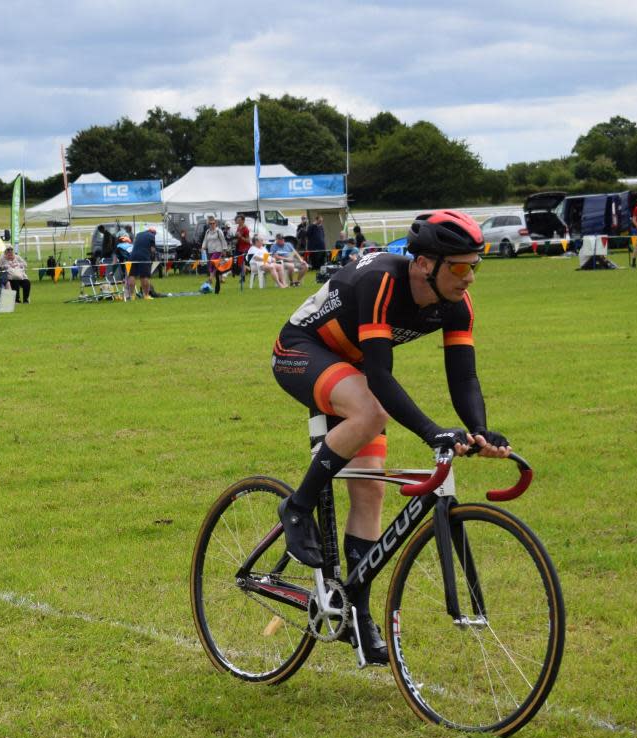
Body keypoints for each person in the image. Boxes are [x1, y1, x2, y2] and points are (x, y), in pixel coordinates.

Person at [270, 210, 512, 665]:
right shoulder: (383, 279)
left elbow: (464, 378)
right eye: (459, 267)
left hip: (352, 366)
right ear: (424, 263)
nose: (469, 279)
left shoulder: (456, 304)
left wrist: (479, 429)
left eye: (475, 266)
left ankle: (356, 613)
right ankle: (297, 507)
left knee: (370, 494)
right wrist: (430, 431)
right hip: (301, 351)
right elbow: (380, 376)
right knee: (371, 408)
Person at [201, 216, 230, 294]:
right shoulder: (207, 232)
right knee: (214, 266)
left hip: (218, 250)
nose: (212, 225)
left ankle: (210, 279)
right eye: (210, 223)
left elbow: (223, 240)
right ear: (208, 224)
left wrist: (224, 250)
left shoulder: (218, 231)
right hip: (210, 251)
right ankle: (220, 278)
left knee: (213, 263)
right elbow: (205, 240)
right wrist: (203, 247)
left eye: (213, 223)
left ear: (215, 223)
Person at [128, 224, 158, 300]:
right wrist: (153, 256)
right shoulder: (152, 236)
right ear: (153, 232)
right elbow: (152, 250)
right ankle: (146, 295)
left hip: (133, 256)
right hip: (144, 257)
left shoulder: (138, 234)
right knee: (144, 276)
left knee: (132, 275)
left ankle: (131, 296)